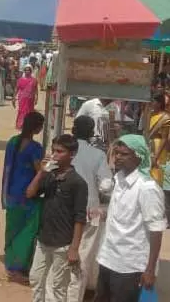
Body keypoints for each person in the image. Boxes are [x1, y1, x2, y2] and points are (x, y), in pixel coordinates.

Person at [94, 135, 166, 302]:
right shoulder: (118, 179)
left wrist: (150, 270)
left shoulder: (147, 188)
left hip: (129, 266)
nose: (117, 157)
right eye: (116, 153)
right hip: (108, 258)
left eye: (124, 154)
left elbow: (156, 230)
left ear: (138, 157)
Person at [26, 135, 88, 302]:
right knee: (36, 278)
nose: (54, 155)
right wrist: (41, 172)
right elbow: (30, 193)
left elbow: (80, 217)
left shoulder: (78, 183)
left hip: (63, 243)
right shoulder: (49, 176)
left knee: (57, 287)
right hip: (43, 239)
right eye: (53, 150)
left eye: (60, 151)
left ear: (72, 154)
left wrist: (74, 248)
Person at [68, 116, 112, 302]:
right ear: (91, 132)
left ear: (73, 130)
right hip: (88, 212)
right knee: (82, 258)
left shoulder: (64, 150)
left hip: (64, 212)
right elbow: (106, 186)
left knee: (61, 254)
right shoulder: (98, 155)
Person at [1, 111, 45, 284]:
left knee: (12, 229)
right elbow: (38, 170)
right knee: (27, 231)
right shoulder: (35, 148)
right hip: (27, 195)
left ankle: (10, 263)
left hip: (12, 193)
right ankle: (17, 269)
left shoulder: (13, 142)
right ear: (36, 127)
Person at [147, 91, 169, 186]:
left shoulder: (166, 118)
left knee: (156, 173)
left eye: (153, 101)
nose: (151, 104)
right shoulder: (150, 115)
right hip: (148, 145)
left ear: (159, 103)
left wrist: (156, 156)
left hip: (158, 148)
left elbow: (164, 138)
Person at [13, 64, 38, 129]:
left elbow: (36, 89)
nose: (27, 72)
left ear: (31, 71)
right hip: (22, 99)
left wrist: (36, 98)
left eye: (29, 70)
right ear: (24, 71)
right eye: (26, 70)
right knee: (22, 111)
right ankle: (21, 124)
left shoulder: (34, 80)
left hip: (30, 99)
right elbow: (16, 89)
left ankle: (28, 125)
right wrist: (13, 98)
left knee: (29, 112)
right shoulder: (20, 80)